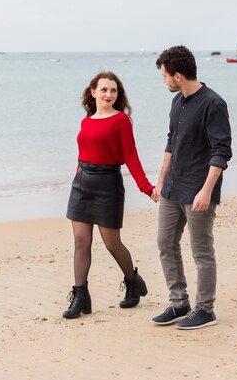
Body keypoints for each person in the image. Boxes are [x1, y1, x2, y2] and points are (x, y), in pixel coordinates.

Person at [151, 45, 232, 330]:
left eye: (164, 75)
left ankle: (205, 309)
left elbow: (221, 152)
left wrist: (207, 190)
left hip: (199, 190)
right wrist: (160, 182)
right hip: (173, 188)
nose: (164, 80)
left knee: (201, 251)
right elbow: (171, 143)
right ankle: (179, 302)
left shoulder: (213, 103)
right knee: (165, 244)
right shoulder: (177, 102)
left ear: (178, 74)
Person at [63, 71, 156, 319]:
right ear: (93, 91)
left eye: (113, 90)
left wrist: (146, 187)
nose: (108, 94)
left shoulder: (121, 121)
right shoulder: (87, 121)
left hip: (107, 184)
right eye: (103, 89)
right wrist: (77, 179)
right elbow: (82, 154)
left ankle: (132, 281)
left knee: (112, 243)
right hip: (82, 183)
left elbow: (131, 156)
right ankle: (81, 296)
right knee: (81, 242)